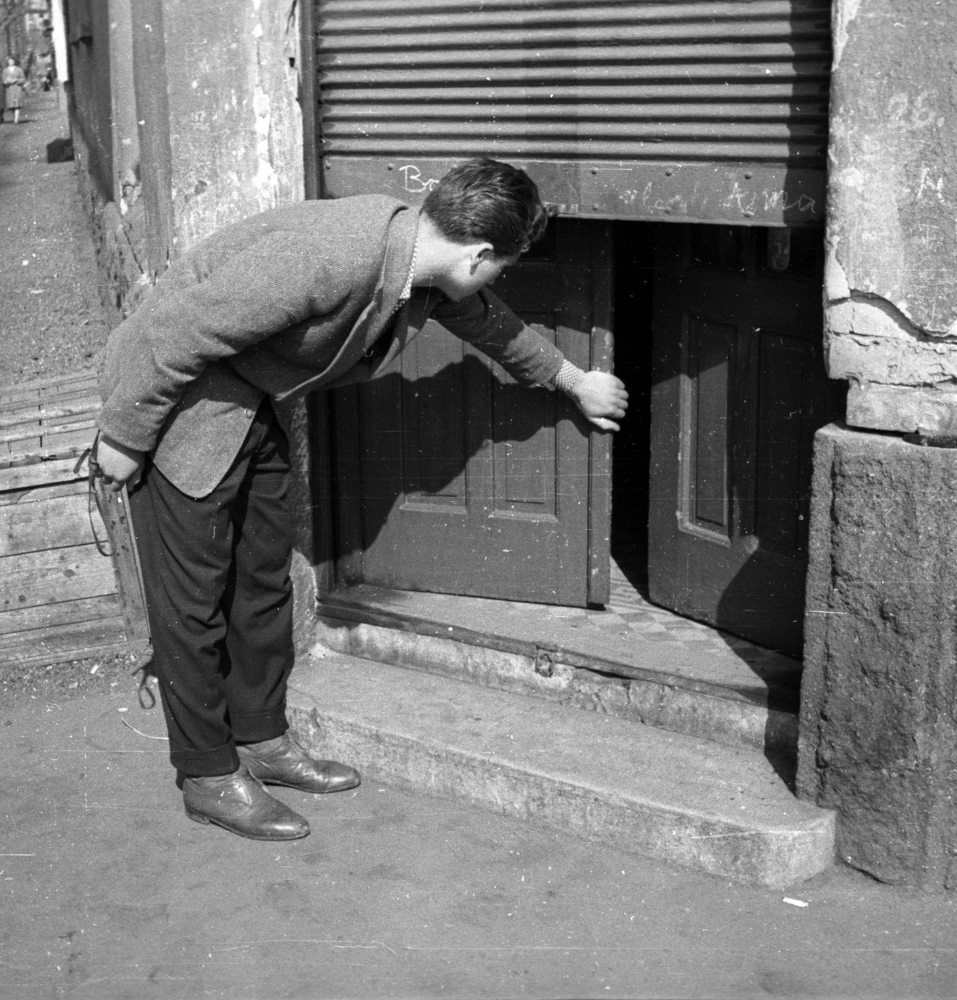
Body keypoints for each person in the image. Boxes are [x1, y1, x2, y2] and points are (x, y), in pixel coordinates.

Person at [93, 158, 629, 841]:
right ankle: (206, 774)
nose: (498, 279)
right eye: (503, 267)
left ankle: (260, 740)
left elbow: (491, 324)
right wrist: (125, 434)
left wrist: (573, 379)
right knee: (193, 599)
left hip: (252, 398)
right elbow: (178, 329)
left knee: (261, 580)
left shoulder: (422, 267)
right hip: (183, 405)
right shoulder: (337, 253)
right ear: (479, 253)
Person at [1, 56, 26, 123]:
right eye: (9, 61)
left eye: (12, 61)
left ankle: (16, 118)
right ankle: (14, 116)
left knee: (17, 104)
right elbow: (3, 80)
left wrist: (17, 80)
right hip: (9, 89)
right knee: (11, 105)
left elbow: (23, 79)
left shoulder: (19, 69)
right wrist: (6, 81)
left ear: (14, 61)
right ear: (8, 62)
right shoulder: (5, 70)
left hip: (17, 88)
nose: (11, 62)